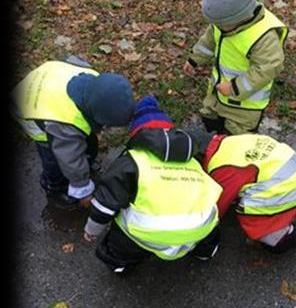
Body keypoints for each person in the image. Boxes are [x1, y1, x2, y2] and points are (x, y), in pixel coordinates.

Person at [132, 98, 296, 254]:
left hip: (280, 189)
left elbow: (217, 207)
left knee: (253, 221)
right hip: (294, 168)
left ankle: (287, 235)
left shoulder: (221, 169)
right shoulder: (226, 143)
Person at [82, 95, 223, 274]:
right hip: (200, 229)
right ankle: (206, 252)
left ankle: (120, 264)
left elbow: (105, 205)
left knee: (122, 230)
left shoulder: (130, 162)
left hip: (149, 234)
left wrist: (92, 230)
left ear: (137, 135)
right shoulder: (192, 160)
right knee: (206, 215)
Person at [183, 0, 288, 135]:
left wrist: (235, 87)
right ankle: (211, 135)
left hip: (245, 106)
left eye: (221, 23)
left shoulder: (263, 36)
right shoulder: (223, 26)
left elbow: (268, 67)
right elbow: (208, 41)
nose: (217, 27)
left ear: (240, 17)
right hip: (218, 93)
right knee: (209, 116)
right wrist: (194, 60)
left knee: (237, 138)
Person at [10, 56, 135, 209]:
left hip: (49, 78)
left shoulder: (93, 78)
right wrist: (82, 189)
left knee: (83, 139)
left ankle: (87, 160)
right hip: (31, 110)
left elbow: (70, 59)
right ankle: (53, 187)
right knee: (53, 157)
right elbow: (70, 159)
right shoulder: (65, 124)